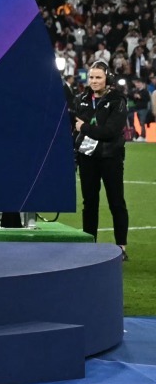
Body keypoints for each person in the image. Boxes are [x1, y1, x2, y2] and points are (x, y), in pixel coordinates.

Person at [73, 61, 129, 259]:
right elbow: (75, 131)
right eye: (91, 77)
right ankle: (90, 244)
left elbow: (110, 132)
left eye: (98, 77)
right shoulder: (81, 99)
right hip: (87, 157)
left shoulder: (117, 100)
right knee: (90, 203)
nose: (94, 81)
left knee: (116, 202)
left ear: (108, 78)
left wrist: (86, 128)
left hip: (110, 157)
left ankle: (121, 246)